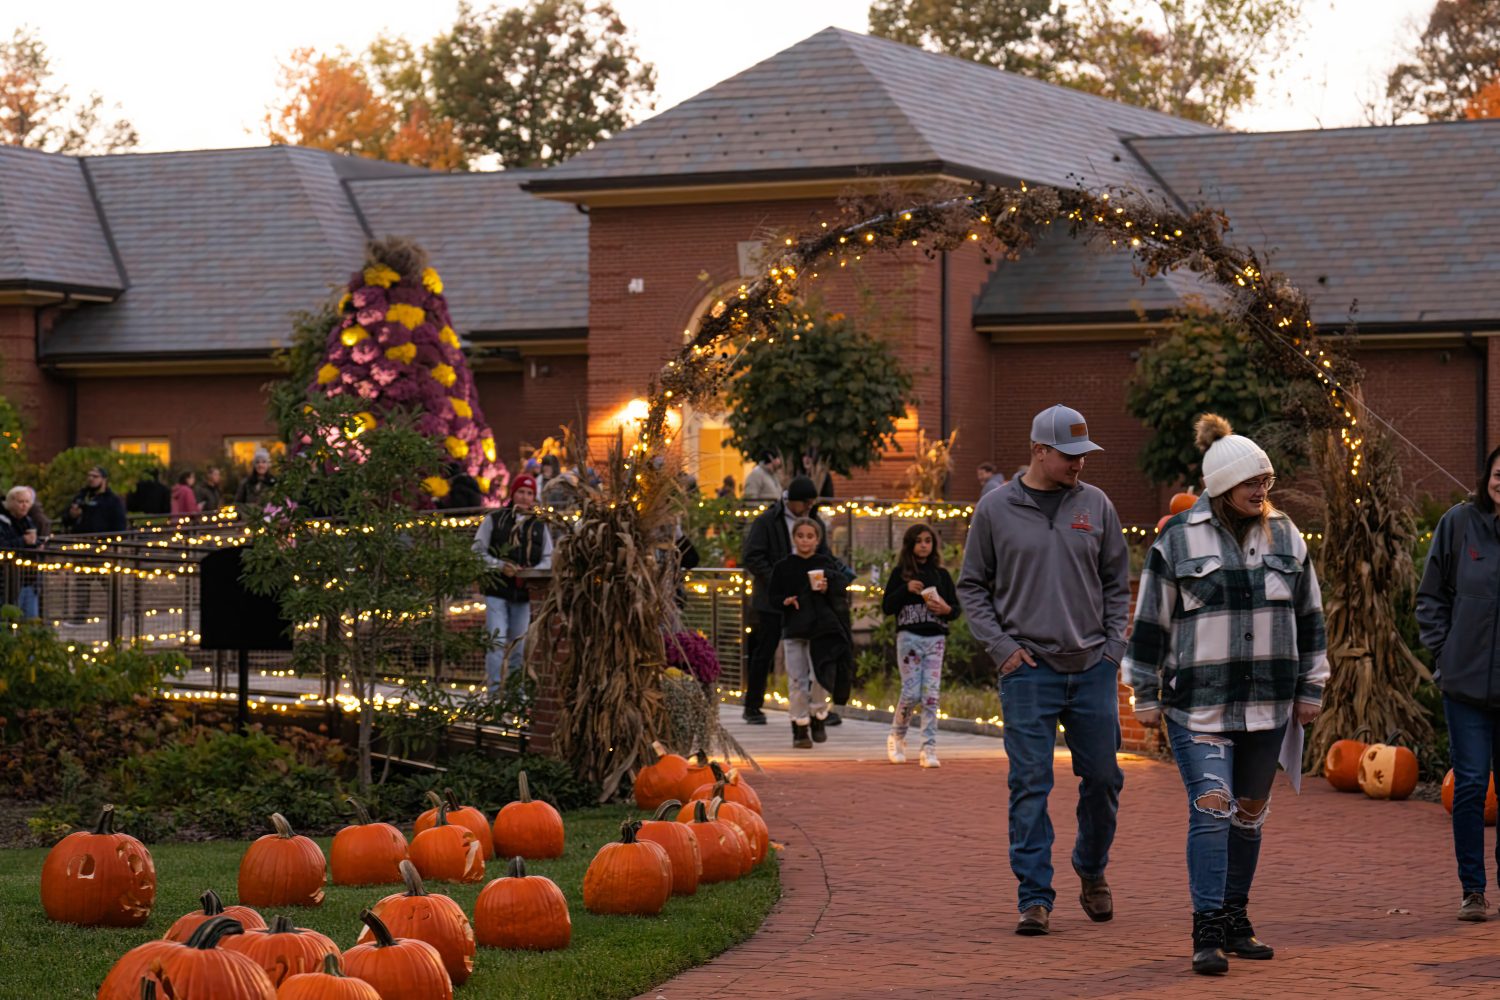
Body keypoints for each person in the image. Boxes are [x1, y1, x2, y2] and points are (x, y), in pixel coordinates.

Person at [1124, 413, 1326, 975]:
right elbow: (1149, 623)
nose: (1262, 490)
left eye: (1266, 480)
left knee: (1250, 813)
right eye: (1250, 482)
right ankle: (1207, 928)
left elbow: (1311, 619)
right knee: (1211, 809)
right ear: (1220, 487)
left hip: (1269, 704)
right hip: (1200, 705)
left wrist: (1312, 686)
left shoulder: (1286, 534)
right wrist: (1143, 691)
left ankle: (1237, 918)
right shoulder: (1177, 538)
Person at [957, 403, 1130, 937]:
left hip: (1092, 667)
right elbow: (972, 587)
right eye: (1069, 454)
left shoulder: (1097, 506)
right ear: (1038, 451)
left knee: (1103, 778)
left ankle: (1091, 868)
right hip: (1028, 671)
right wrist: (1002, 649)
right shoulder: (995, 509)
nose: (1080, 464)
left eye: (1084, 454)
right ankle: (1034, 897)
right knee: (1030, 784)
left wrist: (1112, 650)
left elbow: (1117, 583)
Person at [1418, 442, 1500, 924]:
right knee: (1469, 786)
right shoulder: (1458, 523)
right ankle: (1473, 889)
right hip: (1465, 686)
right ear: (1487, 475)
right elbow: (1430, 596)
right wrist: (1445, 655)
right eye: (1497, 472)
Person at [740, 475, 834, 724]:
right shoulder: (768, 521)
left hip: (807, 600)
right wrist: (779, 580)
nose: (809, 508)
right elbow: (752, 556)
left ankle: (818, 708)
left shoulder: (814, 522)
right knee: (765, 650)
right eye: (806, 503)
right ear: (793, 501)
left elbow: (826, 555)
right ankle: (753, 706)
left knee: (816, 653)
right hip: (774, 597)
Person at [881, 523, 961, 768]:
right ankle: (897, 735)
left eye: (928, 540)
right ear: (910, 545)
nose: (924, 545)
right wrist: (905, 590)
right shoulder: (900, 574)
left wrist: (946, 609)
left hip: (935, 639)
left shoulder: (941, 575)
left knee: (931, 695)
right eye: (918, 541)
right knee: (911, 692)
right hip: (909, 638)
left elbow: (955, 610)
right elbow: (887, 607)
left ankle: (928, 747)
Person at [767, 516, 850, 748]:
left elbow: (842, 587)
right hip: (794, 628)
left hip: (820, 630)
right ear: (794, 538)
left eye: (810, 536)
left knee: (819, 676)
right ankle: (799, 725)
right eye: (801, 536)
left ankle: (818, 715)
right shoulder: (783, 567)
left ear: (817, 539)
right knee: (797, 680)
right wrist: (785, 600)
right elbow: (772, 596)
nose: (805, 541)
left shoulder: (825, 563)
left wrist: (827, 587)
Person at [473, 474, 553, 694]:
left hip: (523, 594)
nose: (525, 497)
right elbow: (477, 552)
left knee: (519, 646)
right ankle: (494, 693)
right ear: (513, 493)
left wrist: (530, 573)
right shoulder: (495, 520)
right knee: (496, 642)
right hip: (497, 590)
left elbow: (548, 557)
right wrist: (499, 565)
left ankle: (515, 695)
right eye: (521, 492)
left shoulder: (539, 526)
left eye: (529, 493)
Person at [0, 486, 43, 618]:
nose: (24, 506)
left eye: (27, 502)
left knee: (30, 621)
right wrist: (23, 541)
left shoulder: (28, 520)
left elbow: (32, 542)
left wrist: (37, 545)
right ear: (11, 502)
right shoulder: (2, 522)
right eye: (20, 502)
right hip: (7, 580)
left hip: (29, 578)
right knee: (9, 620)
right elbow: (3, 545)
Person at [62, 466, 128, 534]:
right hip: (79, 539)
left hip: (102, 541)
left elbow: (120, 526)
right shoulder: (81, 496)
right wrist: (71, 515)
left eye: (95, 476)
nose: (91, 479)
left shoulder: (113, 500)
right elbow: (65, 521)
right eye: (89, 476)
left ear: (104, 479)